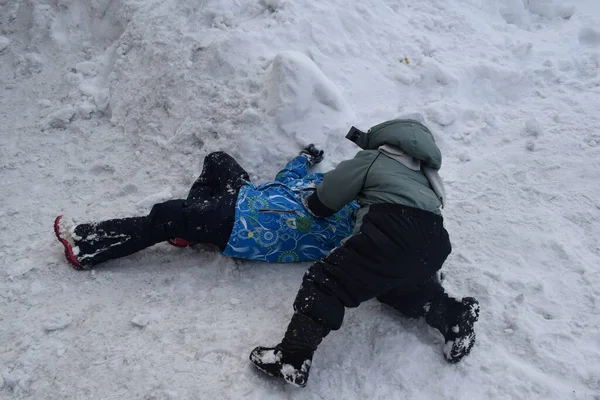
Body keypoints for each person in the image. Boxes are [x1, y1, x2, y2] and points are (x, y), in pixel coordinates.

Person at [250, 115, 480, 387]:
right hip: (434, 242)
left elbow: (326, 198)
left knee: (328, 283)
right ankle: (454, 315)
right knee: (400, 288)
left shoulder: (375, 158)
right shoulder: (426, 176)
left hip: (391, 232)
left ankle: (292, 357)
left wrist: (317, 204)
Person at [54, 147, 359, 270]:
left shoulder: (353, 228)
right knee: (217, 160)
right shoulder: (338, 183)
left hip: (243, 227)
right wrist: (304, 159)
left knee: (165, 214)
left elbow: (352, 252)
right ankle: (190, 224)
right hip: (247, 198)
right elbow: (288, 181)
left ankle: (85, 246)